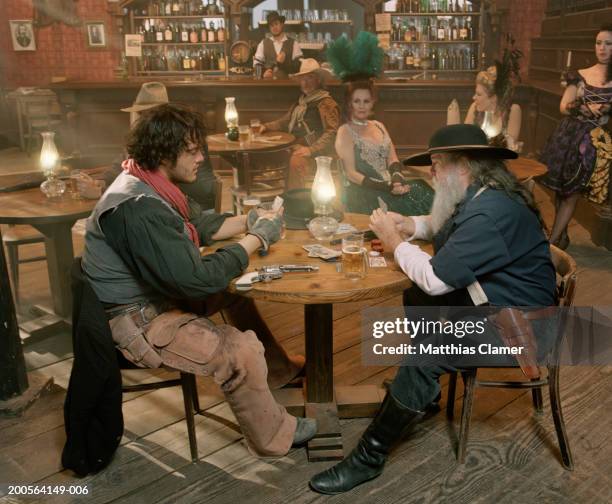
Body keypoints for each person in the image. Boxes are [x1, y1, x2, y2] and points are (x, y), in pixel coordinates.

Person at [309, 124, 556, 494]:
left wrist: (394, 241)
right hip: (497, 307)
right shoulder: (485, 195)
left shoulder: (490, 213)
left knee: (427, 347)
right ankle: (424, 393)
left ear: (465, 165)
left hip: (523, 332)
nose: (431, 173)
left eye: (438, 165)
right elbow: (447, 223)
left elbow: (436, 279)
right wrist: (410, 224)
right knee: (418, 298)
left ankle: (369, 456)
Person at [81, 104, 316, 458]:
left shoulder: (148, 181)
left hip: (152, 299)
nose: (202, 158)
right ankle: (274, 438)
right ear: (163, 152)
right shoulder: (138, 207)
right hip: (138, 321)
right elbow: (197, 281)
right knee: (239, 351)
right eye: (192, 151)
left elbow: (202, 223)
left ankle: (279, 371)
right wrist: (257, 240)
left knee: (238, 292)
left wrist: (252, 219)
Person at [77, 82, 218, 211]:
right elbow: (119, 168)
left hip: (195, 209)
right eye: (142, 114)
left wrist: (102, 192)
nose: (145, 120)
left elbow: (200, 189)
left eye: (150, 115)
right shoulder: (143, 138)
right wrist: (98, 182)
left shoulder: (185, 138)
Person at [539, 25, 612, 249]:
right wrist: (582, 105)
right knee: (562, 190)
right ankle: (561, 236)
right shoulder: (580, 75)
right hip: (569, 136)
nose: (602, 48)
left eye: (608, 43)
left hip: (593, 143)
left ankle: (551, 244)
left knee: (572, 193)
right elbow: (563, 106)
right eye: (599, 43)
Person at [336, 79, 434, 215]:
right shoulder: (345, 131)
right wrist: (385, 187)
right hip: (366, 192)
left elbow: (393, 158)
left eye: (366, 101)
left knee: (422, 189)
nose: (361, 106)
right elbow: (351, 174)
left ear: (373, 102)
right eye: (357, 101)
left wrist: (397, 178)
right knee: (416, 202)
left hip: (390, 185)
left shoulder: (378, 125)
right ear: (349, 104)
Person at [261, 59, 341, 188]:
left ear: (319, 80)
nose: (305, 82)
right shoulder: (301, 102)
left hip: (318, 153)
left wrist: (311, 150)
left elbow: (332, 133)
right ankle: (276, 199)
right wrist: (264, 126)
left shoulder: (326, 103)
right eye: (303, 78)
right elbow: (285, 122)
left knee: (295, 162)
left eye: (310, 78)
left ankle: (296, 202)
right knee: (265, 156)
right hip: (295, 146)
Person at [448, 42, 522, 151]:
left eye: (478, 94)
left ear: (493, 98)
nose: (474, 97)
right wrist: (453, 121)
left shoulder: (513, 110)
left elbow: (509, 148)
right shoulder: (474, 108)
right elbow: (464, 141)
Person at [254, 11, 303, 80]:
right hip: (268, 85)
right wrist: (263, 73)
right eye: (271, 25)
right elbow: (257, 63)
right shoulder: (263, 43)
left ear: (282, 24)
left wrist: (283, 63)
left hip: (287, 85)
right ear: (269, 28)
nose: (274, 27)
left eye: (276, 24)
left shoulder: (294, 43)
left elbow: (299, 66)